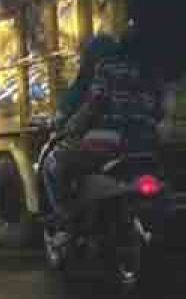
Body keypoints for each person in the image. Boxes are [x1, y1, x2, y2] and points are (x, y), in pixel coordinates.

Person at [43, 33, 164, 225]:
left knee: (54, 161)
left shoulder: (106, 69)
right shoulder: (151, 72)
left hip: (111, 143)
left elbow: (93, 105)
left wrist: (72, 127)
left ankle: (65, 216)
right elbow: (159, 111)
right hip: (147, 143)